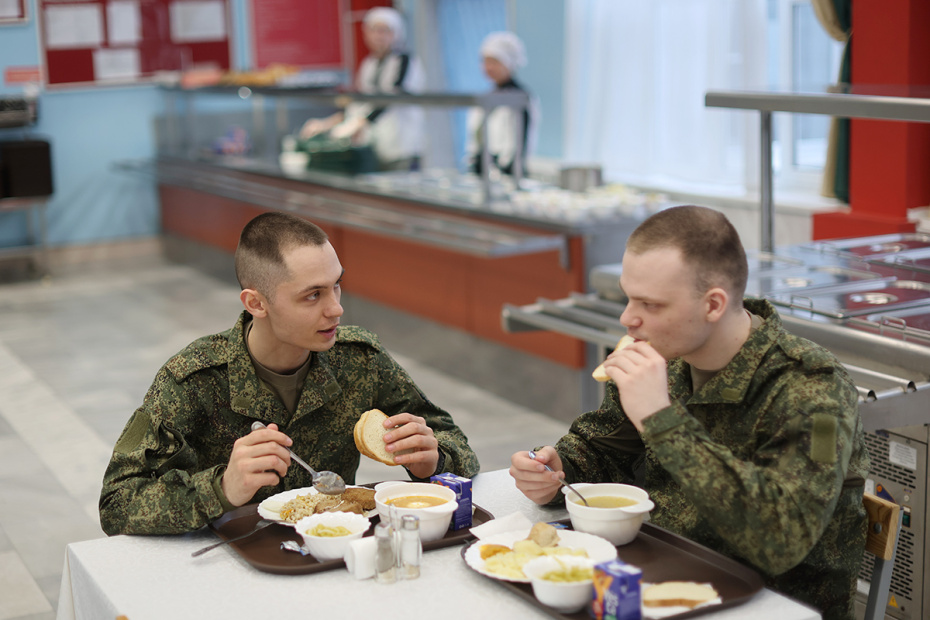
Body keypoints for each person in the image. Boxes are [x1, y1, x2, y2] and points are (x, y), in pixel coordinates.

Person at [510, 206, 869, 620]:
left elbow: (780, 540)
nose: (628, 318)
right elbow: (603, 449)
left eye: (651, 303)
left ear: (713, 305)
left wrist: (661, 419)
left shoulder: (813, 389)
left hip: (768, 603)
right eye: (629, 297)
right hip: (655, 575)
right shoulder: (669, 353)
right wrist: (558, 470)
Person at [100, 212, 479, 535]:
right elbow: (117, 503)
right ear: (256, 303)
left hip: (335, 552)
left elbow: (455, 444)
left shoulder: (360, 360)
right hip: (233, 562)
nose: (336, 310)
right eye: (313, 295)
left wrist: (434, 461)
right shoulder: (192, 379)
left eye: (337, 286)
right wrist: (222, 488)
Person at [299, 7, 425, 171]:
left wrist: (360, 123)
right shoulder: (369, 64)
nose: (379, 36)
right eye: (374, 30)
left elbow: (391, 98)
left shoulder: (405, 61)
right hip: (375, 145)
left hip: (402, 146)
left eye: (385, 30)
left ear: (397, 33)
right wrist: (327, 123)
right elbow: (359, 102)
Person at [465, 31, 538, 177]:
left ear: (509, 63)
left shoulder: (520, 99)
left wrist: (502, 170)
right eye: (485, 61)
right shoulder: (486, 98)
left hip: (508, 176)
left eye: (494, 62)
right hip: (485, 176)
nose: (488, 67)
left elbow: (518, 146)